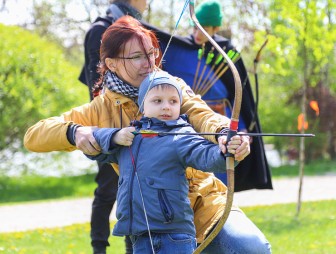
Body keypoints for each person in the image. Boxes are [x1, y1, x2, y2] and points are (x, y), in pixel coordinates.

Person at [24, 16, 271, 254]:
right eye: (137, 56)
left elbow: (201, 113)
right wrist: (74, 131)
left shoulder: (169, 86)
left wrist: (225, 133)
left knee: (252, 248)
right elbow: (33, 136)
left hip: (205, 204)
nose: (149, 62)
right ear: (111, 63)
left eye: (152, 53)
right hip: (151, 222)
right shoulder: (99, 109)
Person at [85, 70, 242, 253]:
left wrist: (227, 152)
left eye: (173, 101)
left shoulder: (181, 136)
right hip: (140, 235)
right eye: (157, 101)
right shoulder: (129, 137)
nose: (166, 107)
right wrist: (114, 137)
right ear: (142, 106)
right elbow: (94, 149)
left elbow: (206, 155)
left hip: (175, 235)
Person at [159, 0, 272, 191]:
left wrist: (242, 127)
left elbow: (239, 96)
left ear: (215, 28)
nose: (197, 34)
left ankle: (220, 212)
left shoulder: (227, 51)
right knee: (194, 176)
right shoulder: (181, 49)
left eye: (203, 29)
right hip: (192, 120)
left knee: (220, 172)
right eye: (195, 28)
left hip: (222, 117)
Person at [78, 1, 148, 252]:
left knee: (135, 193)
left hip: (136, 124)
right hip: (108, 128)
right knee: (108, 189)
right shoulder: (100, 30)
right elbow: (97, 87)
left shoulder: (136, 28)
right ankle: (99, 248)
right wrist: (108, 132)